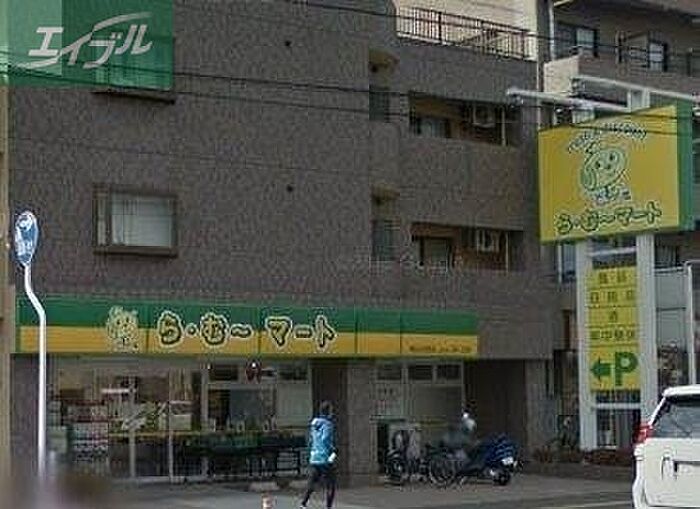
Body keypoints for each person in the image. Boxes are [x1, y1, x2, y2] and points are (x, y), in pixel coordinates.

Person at [300, 401, 337, 509]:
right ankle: (328, 507)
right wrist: (332, 449)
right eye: (331, 410)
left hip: (314, 457)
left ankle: (303, 503)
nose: (332, 413)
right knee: (330, 484)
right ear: (328, 412)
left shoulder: (314, 424)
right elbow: (325, 438)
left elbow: (311, 440)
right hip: (325, 458)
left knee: (312, 482)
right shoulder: (327, 424)